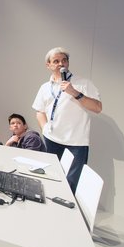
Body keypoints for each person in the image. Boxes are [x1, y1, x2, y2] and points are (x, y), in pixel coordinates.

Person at [33, 47, 102, 192]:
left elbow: (97, 107)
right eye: (56, 61)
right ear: (49, 65)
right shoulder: (45, 87)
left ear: (68, 63)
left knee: (71, 187)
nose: (60, 64)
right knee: (51, 181)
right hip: (51, 141)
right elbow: (40, 111)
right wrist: (45, 129)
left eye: (64, 60)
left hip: (76, 143)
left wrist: (75, 93)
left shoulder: (83, 83)